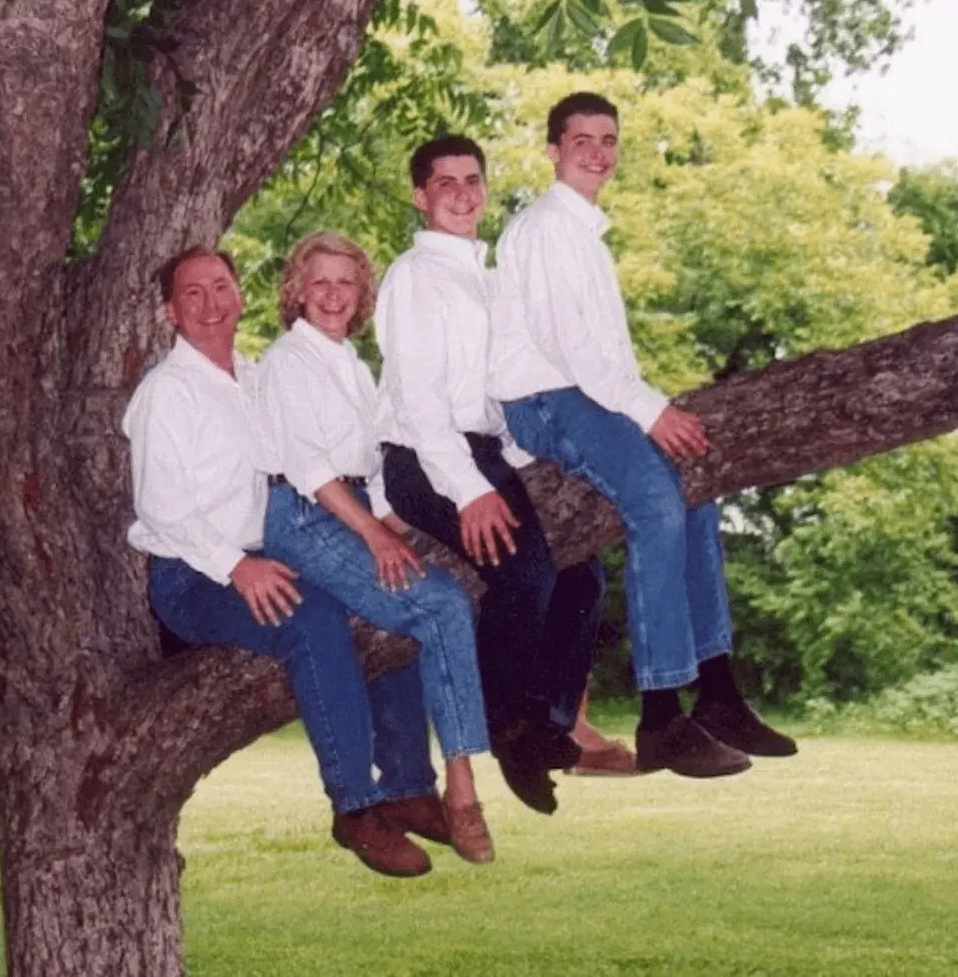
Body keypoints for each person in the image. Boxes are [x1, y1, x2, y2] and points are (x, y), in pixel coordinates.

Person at [490, 92, 798, 778]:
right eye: (582, 141)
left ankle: (717, 690)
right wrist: (649, 410)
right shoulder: (544, 228)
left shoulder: (585, 236)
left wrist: (642, 409)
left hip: (586, 394)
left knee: (696, 492)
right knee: (656, 501)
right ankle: (661, 715)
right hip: (546, 400)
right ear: (553, 150)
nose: (598, 153)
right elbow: (568, 348)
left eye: (609, 140)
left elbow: (606, 358)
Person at [124, 244, 451, 879]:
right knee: (315, 622)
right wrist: (235, 567)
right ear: (170, 312)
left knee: (385, 596)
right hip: (195, 575)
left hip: (275, 552)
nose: (211, 304)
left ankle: (410, 785)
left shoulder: (256, 378)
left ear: (240, 295)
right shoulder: (167, 393)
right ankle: (355, 807)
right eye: (192, 294)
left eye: (221, 287)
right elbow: (161, 508)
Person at [375, 136, 607, 815]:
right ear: (420, 197)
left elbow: (500, 389)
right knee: (524, 571)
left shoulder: (491, 278)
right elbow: (420, 401)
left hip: (484, 449)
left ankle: (549, 720)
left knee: (582, 572)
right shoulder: (415, 276)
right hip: (424, 456)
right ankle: (506, 728)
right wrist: (470, 490)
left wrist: (532, 457)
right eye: (443, 183)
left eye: (471, 180)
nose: (461, 194)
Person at [254, 231, 493, 864]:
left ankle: (409, 790)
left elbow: (372, 468)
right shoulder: (288, 361)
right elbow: (309, 467)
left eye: (347, 282)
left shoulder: (356, 366)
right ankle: (463, 790)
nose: (333, 295)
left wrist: (398, 526)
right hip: (303, 513)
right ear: (297, 291)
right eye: (320, 282)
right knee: (440, 605)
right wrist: (373, 533)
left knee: (416, 608)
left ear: (362, 294)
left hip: (348, 504)